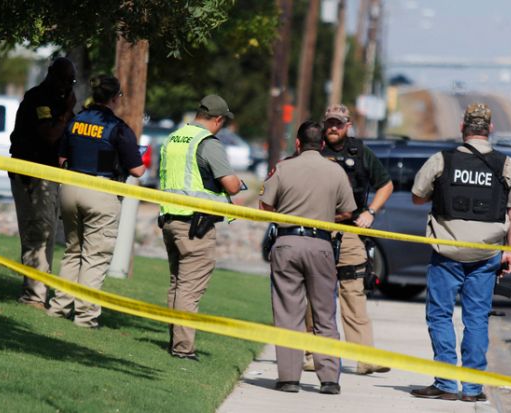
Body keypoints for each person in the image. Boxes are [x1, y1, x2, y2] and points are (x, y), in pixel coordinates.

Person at [410, 103, 511, 402]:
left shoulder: (442, 160)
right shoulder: (507, 165)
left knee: (440, 315)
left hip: (446, 253)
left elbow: (417, 197)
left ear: (463, 126)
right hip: (486, 255)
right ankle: (472, 389)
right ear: (489, 128)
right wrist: (509, 252)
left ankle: (446, 383)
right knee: (476, 319)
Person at [260, 121, 356, 394]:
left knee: (288, 313)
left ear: (298, 144)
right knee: (325, 313)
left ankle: (289, 378)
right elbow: (348, 212)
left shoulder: (284, 167)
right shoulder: (336, 171)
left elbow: (264, 205)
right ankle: (329, 379)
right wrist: (326, 215)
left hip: (287, 242)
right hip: (321, 244)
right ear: (323, 144)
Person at [46, 74, 144, 328]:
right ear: (114, 98)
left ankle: (58, 307)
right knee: (95, 255)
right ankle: (86, 316)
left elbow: (61, 159)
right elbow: (138, 170)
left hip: (70, 189)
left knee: (72, 251)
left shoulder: (76, 120)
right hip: (100, 191)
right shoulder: (118, 127)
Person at [304, 104, 393, 375]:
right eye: (330, 123)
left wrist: (371, 212)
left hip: (350, 230)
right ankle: (312, 354)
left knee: (353, 293)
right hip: (317, 229)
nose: (333, 128)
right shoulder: (312, 150)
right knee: (315, 294)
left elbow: (386, 185)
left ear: (348, 125)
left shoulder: (360, 152)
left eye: (339, 124)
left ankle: (364, 357)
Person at [159, 94, 241, 361]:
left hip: (170, 219)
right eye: (223, 123)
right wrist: (239, 183)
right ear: (218, 119)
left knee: (177, 284)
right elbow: (230, 185)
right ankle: (183, 348)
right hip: (196, 225)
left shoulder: (173, 138)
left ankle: (174, 340)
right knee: (190, 289)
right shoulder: (208, 143)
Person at [9, 57, 77, 310]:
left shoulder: (60, 102)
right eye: (63, 79)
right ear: (51, 74)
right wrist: (68, 111)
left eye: (71, 81)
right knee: (37, 232)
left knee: (46, 233)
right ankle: (33, 296)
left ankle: (39, 292)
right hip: (31, 175)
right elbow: (49, 135)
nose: (66, 85)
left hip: (49, 176)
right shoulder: (38, 98)